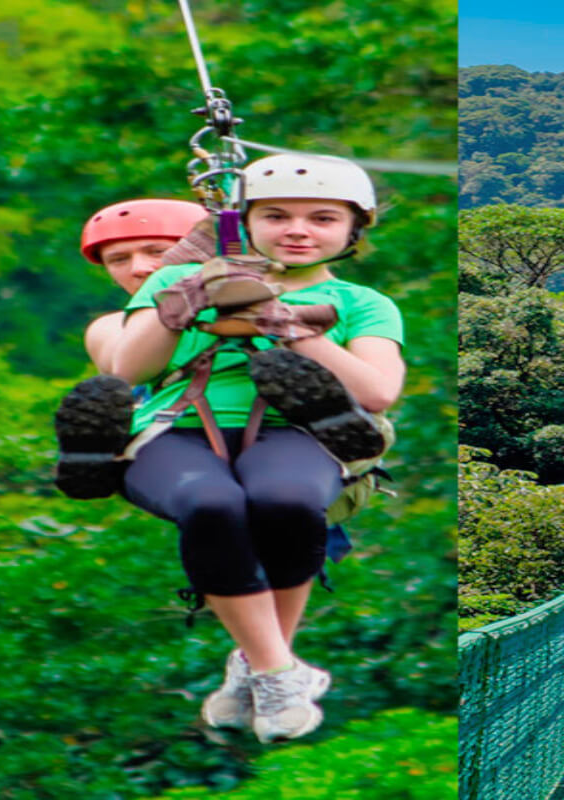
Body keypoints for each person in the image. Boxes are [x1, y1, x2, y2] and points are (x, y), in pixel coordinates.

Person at [99, 154, 403, 743]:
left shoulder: (361, 303)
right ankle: (275, 670)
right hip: (174, 428)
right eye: (277, 216)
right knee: (211, 505)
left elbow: (377, 391)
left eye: (321, 218)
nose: (298, 230)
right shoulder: (176, 280)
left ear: (351, 232)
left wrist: (282, 323)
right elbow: (126, 369)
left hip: (297, 431)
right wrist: (183, 299)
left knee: (285, 501)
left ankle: (260, 666)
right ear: (246, 220)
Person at [77, 199, 209, 373]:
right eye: (119, 259)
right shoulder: (110, 328)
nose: (139, 268)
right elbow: (125, 370)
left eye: (157, 252)